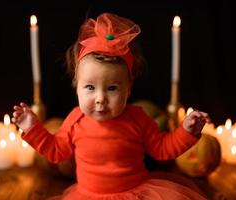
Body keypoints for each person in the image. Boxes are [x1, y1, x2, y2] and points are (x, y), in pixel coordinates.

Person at [12, 12, 211, 200]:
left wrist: (187, 131)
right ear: (76, 86)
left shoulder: (137, 118)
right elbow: (56, 152)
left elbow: (162, 149)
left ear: (128, 90)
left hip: (135, 191)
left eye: (112, 88)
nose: (100, 98)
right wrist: (32, 128)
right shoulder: (75, 120)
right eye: (90, 87)